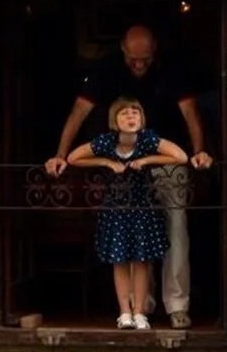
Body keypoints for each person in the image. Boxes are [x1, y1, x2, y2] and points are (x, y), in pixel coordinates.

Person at [44, 25, 213, 329]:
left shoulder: (171, 70)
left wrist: (199, 151)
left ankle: (176, 304)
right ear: (122, 49)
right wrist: (60, 154)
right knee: (134, 235)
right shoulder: (106, 70)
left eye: (145, 59)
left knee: (176, 227)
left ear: (155, 50)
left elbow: (191, 115)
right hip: (124, 172)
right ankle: (139, 307)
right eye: (134, 59)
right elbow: (78, 113)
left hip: (165, 161)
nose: (139, 65)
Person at [66, 97, 188, 328]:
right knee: (119, 261)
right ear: (114, 120)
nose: (130, 117)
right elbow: (73, 158)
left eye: (135, 113)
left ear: (142, 119)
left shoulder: (147, 140)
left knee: (141, 261)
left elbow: (180, 156)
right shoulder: (107, 142)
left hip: (141, 208)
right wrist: (106, 163)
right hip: (115, 209)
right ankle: (124, 312)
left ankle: (140, 312)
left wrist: (147, 160)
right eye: (124, 113)